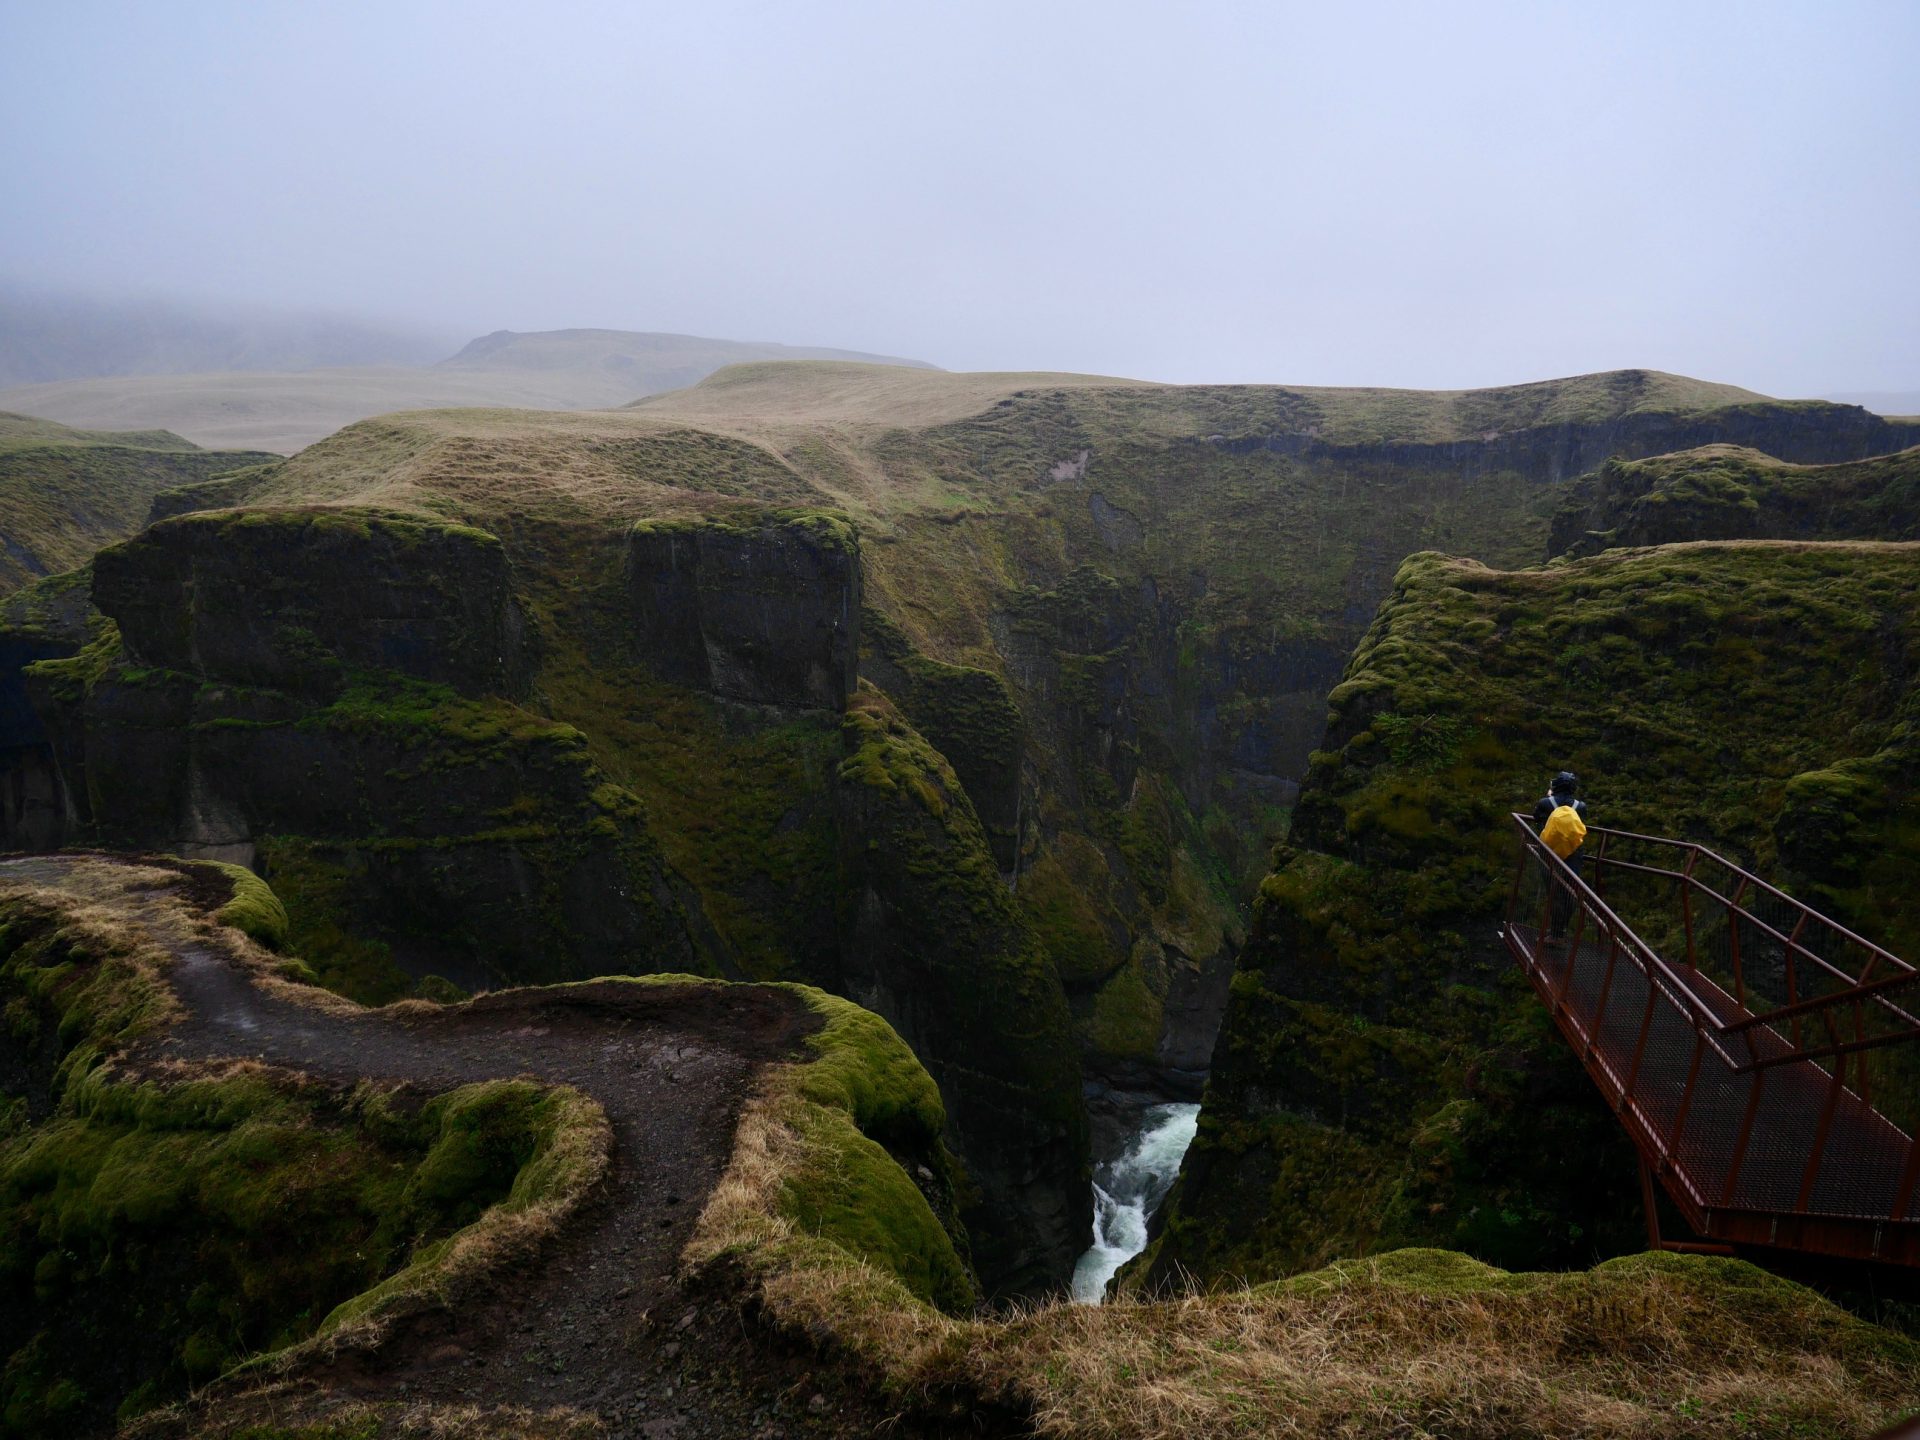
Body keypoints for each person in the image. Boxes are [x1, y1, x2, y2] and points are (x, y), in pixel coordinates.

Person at [1533, 770, 1589, 941]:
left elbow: (1537, 818)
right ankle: (1561, 931)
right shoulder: (1580, 806)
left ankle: (1555, 933)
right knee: (1569, 892)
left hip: (1550, 853)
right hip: (1573, 854)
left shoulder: (1545, 803)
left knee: (1554, 892)